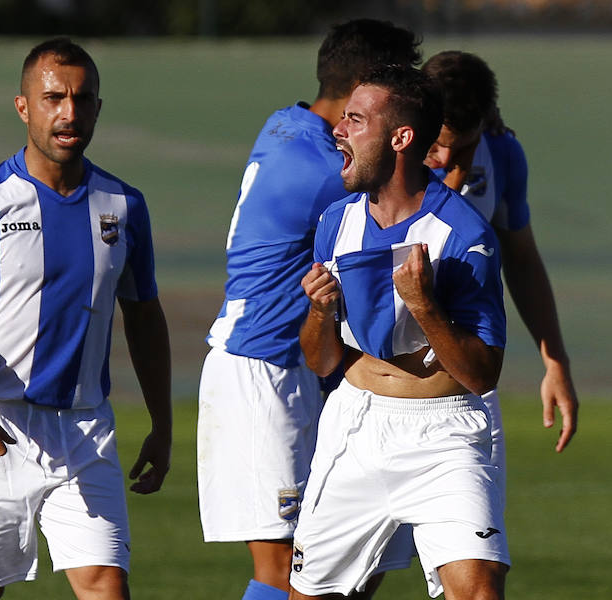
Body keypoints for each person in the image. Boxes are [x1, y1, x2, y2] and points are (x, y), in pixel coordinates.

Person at [0, 38, 172, 600]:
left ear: (98, 107)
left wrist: (162, 423)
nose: (68, 113)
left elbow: (144, 317)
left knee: (106, 586)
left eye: (82, 98)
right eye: (53, 98)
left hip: (86, 431)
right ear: (24, 107)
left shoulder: (124, 206)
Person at [196, 19, 422, 600]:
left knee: (349, 565)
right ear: (362, 94)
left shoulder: (289, 127)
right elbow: (408, 202)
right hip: (262, 370)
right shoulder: (325, 169)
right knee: (289, 572)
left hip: (304, 371)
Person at [291, 65, 509, 599]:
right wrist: (319, 313)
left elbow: (483, 373)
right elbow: (322, 362)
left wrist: (425, 306)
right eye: (343, 117)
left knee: (478, 591)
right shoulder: (334, 223)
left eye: (356, 119)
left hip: (446, 438)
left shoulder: (464, 234)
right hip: (355, 428)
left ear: (401, 138)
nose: (339, 129)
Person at [422, 50, 578, 461]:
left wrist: (555, 360)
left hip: (466, 388)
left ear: (488, 118)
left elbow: (523, 261)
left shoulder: (502, 153)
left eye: (463, 148)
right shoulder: (380, 152)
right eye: (438, 147)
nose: (448, 162)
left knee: (481, 527)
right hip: (379, 385)